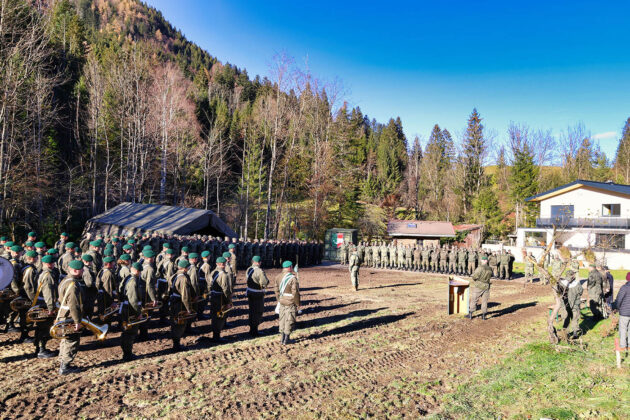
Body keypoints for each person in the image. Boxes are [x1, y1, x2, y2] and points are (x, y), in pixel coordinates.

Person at [57, 259, 85, 375]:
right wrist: (77, 321)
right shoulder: (73, 285)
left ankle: (63, 362)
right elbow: (73, 305)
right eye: (81, 270)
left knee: (66, 340)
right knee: (72, 340)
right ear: (75, 270)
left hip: (63, 315)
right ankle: (65, 366)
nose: (83, 271)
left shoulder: (65, 280)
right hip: (69, 316)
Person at [169, 259, 196, 352]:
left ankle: (176, 343)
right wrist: (188, 308)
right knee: (180, 323)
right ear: (185, 268)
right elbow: (185, 295)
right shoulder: (183, 278)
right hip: (180, 303)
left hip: (174, 301)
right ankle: (176, 345)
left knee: (175, 322)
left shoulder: (174, 275)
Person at [33, 255, 57, 358]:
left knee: (40, 327)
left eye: (52, 263)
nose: (51, 265)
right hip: (45, 305)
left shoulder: (44, 273)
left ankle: (39, 348)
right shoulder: (48, 275)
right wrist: (51, 308)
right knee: (44, 328)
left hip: (42, 303)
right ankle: (41, 350)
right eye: (49, 263)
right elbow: (48, 294)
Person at [119, 262, 143, 361]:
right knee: (130, 332)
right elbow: (133, 299)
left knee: (126, 332)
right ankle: (127, 354)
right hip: (130, 310)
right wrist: (138, 313)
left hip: (125, 307)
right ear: (137, 271)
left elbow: (120, 290)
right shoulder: (133, 281)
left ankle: (127, 352)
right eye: (140, 272)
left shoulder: (127, 278)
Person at [275, 260, 300, 345]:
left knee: (282, 318)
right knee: (290, 319)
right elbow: (295, 292)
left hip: (282, 301)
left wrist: (279, 299)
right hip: (290, 302)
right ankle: (286, 339)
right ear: (290, 267)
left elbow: (276, 290)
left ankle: (282, 338)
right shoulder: (292, 278)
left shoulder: (278, 277)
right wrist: (297, 303)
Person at [208, 257, 232, 342]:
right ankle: (217, 337)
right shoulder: (224, 275)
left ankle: (215, 334)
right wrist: (228, 301)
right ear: (224, 264)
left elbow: (209, 284)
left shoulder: (213, 272)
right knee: (220, 316)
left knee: (214, 316)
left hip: (214, 296)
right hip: (221, 298)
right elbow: (226, 289)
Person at [246, 256, 269, 337]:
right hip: (258, 293)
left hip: (250, 292)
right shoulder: (259, 271)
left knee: (252, 311)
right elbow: (265, 282)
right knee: (258, 312)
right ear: (259, 262)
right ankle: (254, 331)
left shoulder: (249, 269)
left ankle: (251, 329)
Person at [467, 256, 493, 320]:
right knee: (484, 301)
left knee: (474, 299)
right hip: (486, 286)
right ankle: (484, 316)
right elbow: (491, 276)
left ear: (483, 261)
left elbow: (475, 276)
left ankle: (470, 314)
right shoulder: (490, 268)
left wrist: (474, 278)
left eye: (482, 260)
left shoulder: (480, 268)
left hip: (479, 286)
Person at [560, 270, 583, 339]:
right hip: (575, 305)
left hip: (565, 305)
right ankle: (575, 333)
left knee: (565, 318)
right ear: (573, 275)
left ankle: (565, 333)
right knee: (575, 319)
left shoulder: (561, 283)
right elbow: (581, 292)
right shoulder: (577, 284)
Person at [612, 273, 630, 357]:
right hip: (626, 312)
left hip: (625, 313)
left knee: (623, 329)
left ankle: (623, 346)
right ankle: (629, 346)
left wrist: (616, 308)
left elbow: (619, 299)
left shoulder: (624, 287)